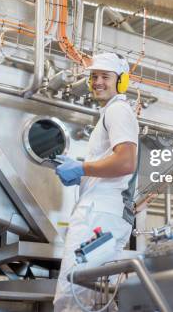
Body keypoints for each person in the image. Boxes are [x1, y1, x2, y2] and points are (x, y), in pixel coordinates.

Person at [52, 52, 139, 311]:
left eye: (105, 76)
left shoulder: (118, 111)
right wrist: (84, 174)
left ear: (120, 82)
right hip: (102, 216)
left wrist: (81, 168)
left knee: (74, 295)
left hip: (99, 217)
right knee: (95, 297)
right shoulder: (111, 114)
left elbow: (126, 162)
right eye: (94, 77)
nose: (98, 82)